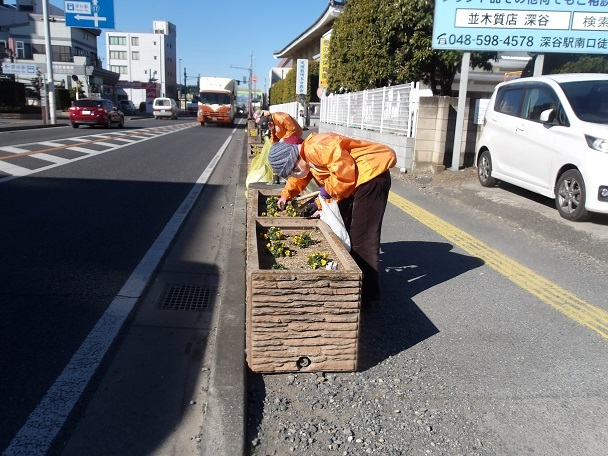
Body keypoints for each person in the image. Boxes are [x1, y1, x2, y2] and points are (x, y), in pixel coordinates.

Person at [267, 132, 396, 308]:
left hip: (371, 177)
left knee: (362, 238)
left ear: (294, 160)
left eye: (292, 171)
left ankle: (366, 294)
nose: (294, 175)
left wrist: (325, 194)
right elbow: (303, 177)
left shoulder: (317, 148)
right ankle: (353, 277)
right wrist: (286, 196)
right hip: (356, 180)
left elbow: (344, 175)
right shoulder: (306, 157)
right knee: (344, 222)